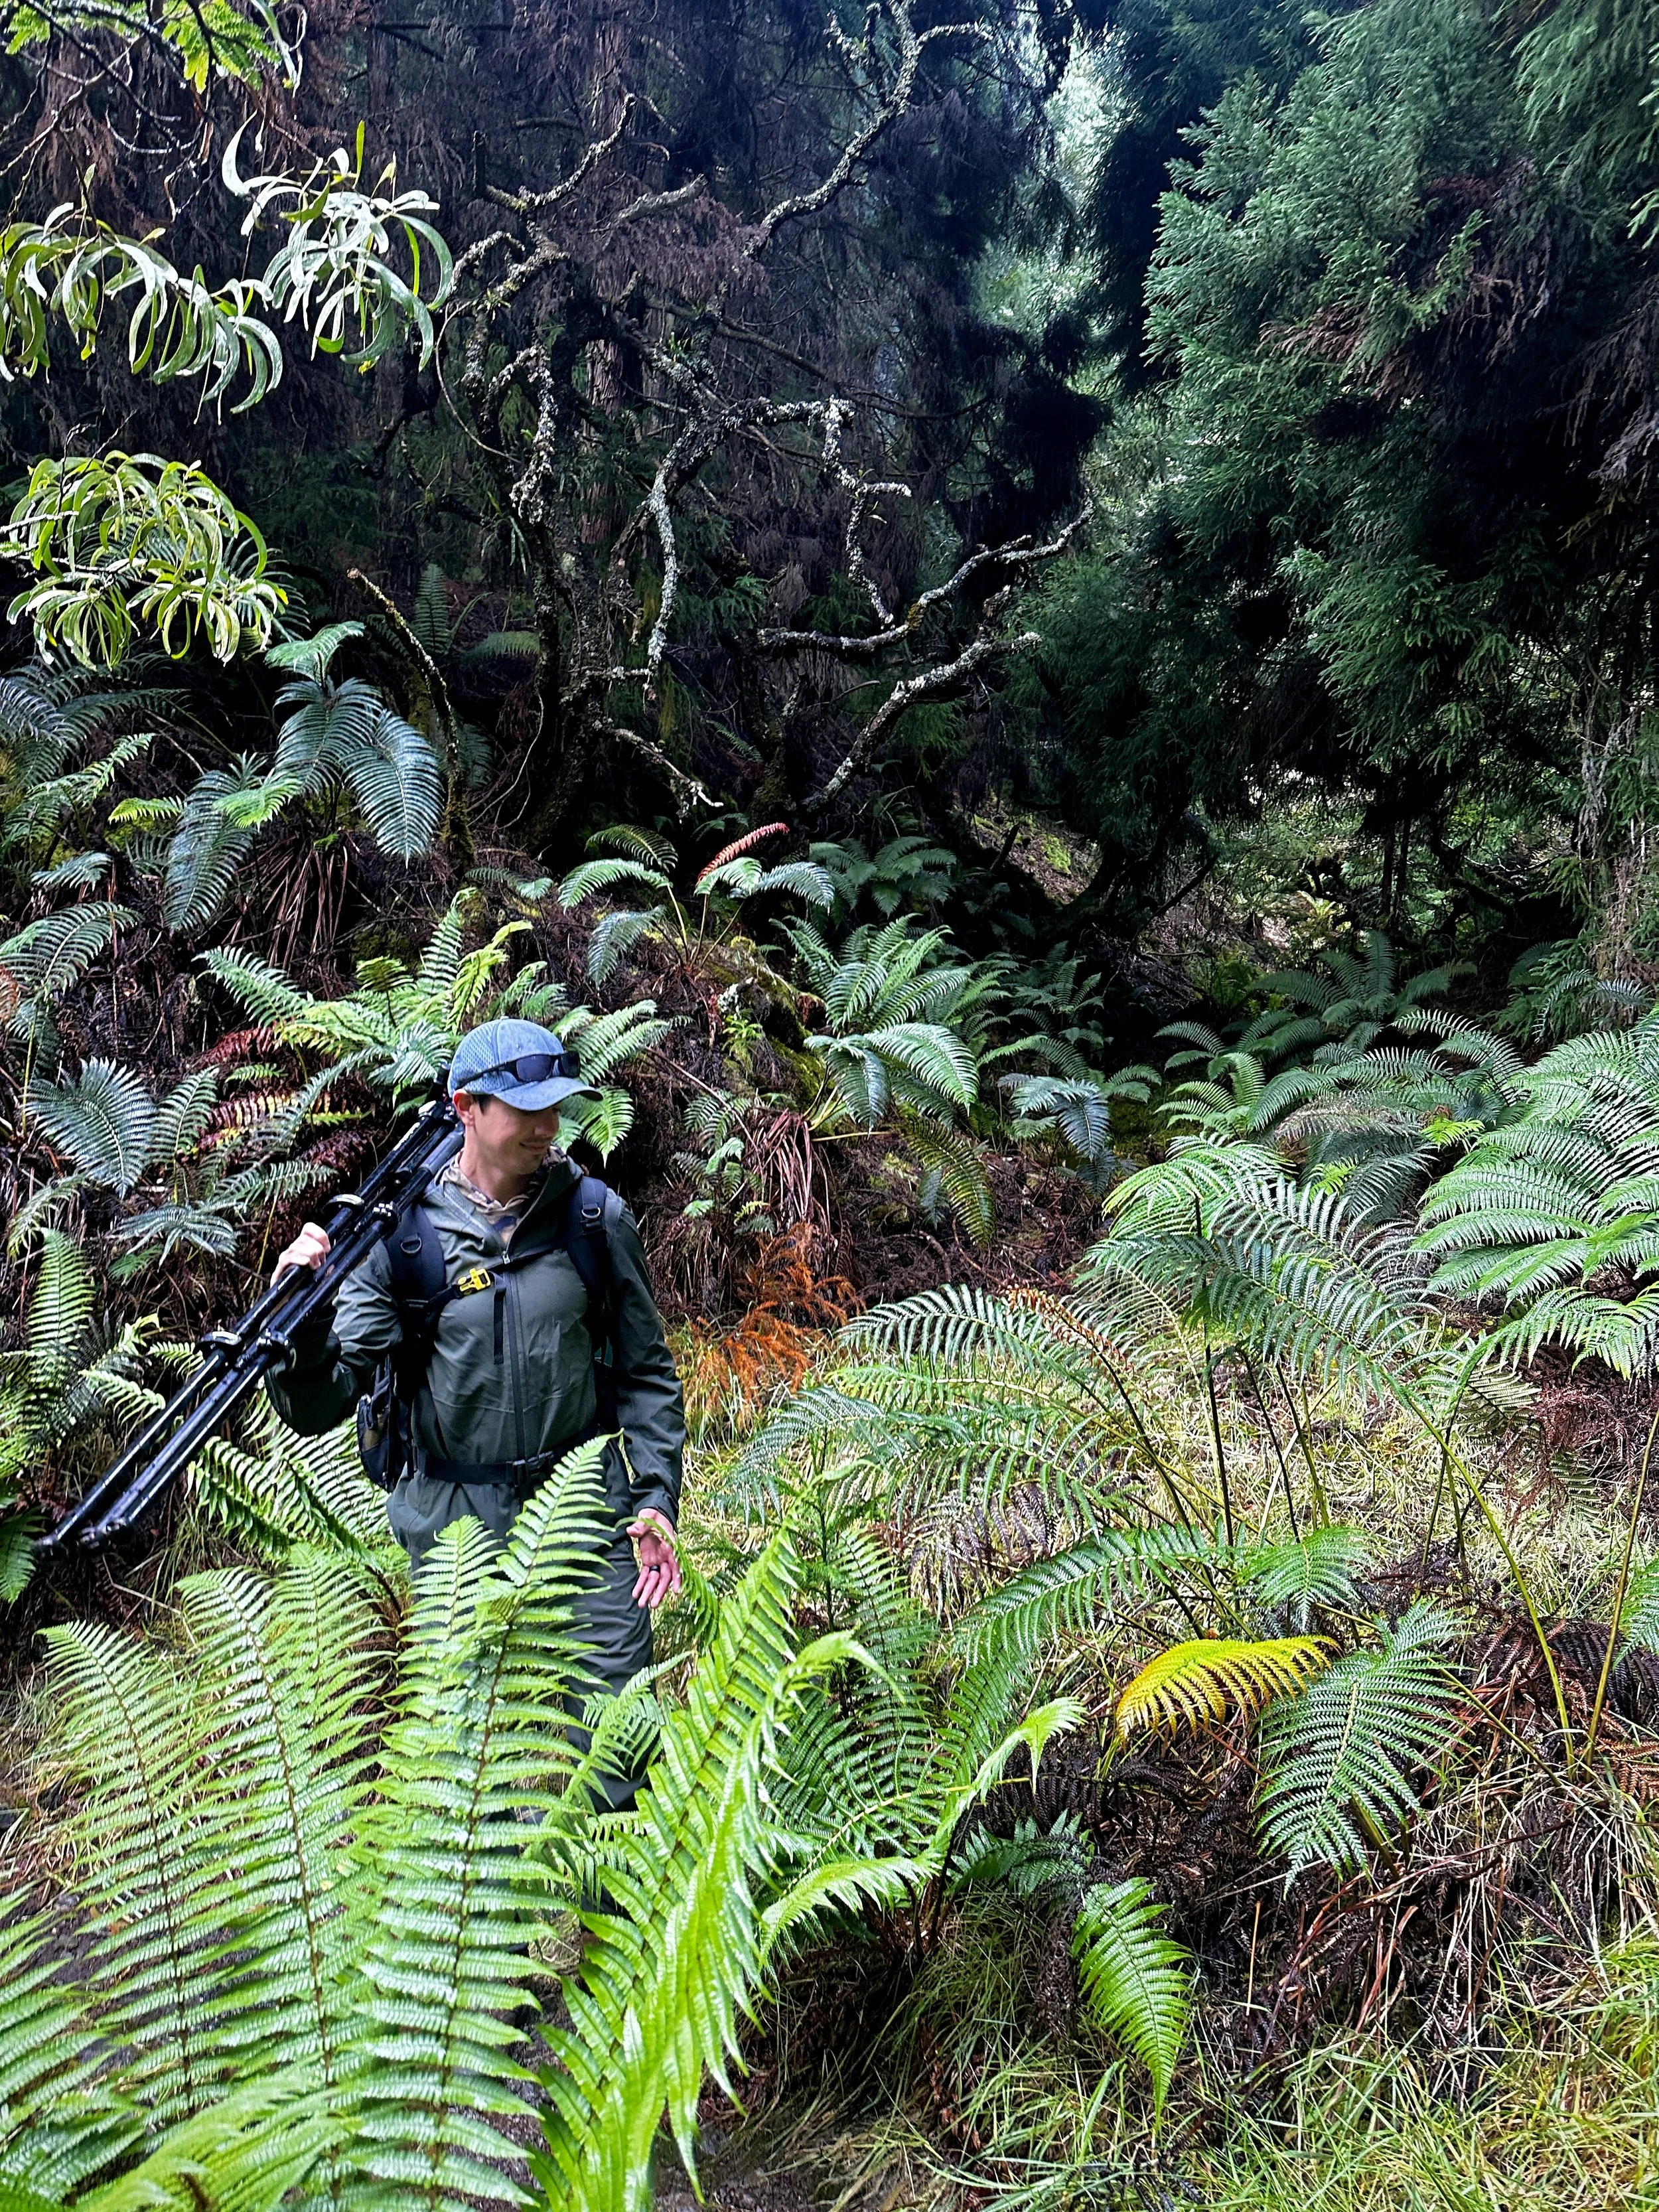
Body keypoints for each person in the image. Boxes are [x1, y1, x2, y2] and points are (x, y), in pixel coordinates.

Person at [266, 1016, 685, 1801]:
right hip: (454, 1527)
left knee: (620, 1748)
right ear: (466, 1107)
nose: (548, 1126)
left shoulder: (593, 1219)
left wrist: (657, 1496)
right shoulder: (401, 1242)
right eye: (525, 1109)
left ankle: (618, 1922)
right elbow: (323, 1400)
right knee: (465, 1771)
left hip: (588, 1512)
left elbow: (647, 1374)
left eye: (556, 1106)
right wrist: (307, 1322)